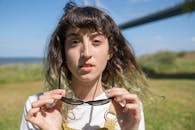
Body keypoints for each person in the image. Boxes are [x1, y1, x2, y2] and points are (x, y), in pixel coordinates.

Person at [20, 2, 148, 130]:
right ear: (63, 52)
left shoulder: (129, 108)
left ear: (110, 52)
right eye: (75, 42)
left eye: (96, 41)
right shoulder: (38, 108)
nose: (86, 53)